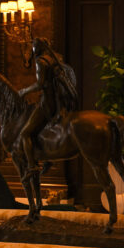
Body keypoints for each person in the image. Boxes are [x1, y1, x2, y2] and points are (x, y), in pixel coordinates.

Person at [17, 38, 78, 177]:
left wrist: (23, 91)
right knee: (41, 130)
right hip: (60, 102)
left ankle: (32, 168)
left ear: (37, 47)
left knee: (25, 134)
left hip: (48, 103)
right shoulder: (56, 58)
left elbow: (40, 84)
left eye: (33, 46)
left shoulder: (41, 62)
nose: (32, 49)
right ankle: (47, 158)